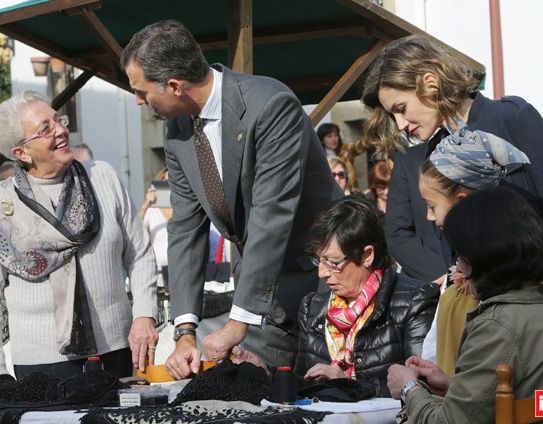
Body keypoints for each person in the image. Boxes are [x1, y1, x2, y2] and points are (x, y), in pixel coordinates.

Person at [120, 20, 342, 379]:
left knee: (326, 396)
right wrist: (185, 331)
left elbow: (272, 216)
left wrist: (239, 320)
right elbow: (185, 230)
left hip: (319, 280)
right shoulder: (176, 130)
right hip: (259, 294)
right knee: (258, 396)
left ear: (175, 86)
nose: (138, 100)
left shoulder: (270, 105)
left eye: (141, 91)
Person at [361, 34, 543, 333]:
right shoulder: (435, 150)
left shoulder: (513, 117)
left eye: (401, 108)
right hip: (485, 326)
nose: (401, 125)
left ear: (430, 82)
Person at [387, 186, 543, 424]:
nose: (458, 267)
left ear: (483, 256)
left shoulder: (498, 326)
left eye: (461, 256)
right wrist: (454, 387)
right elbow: (538, 403)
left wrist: (409, 388)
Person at [0, 91, 158, 379]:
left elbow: (140, 253)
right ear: (21, 153)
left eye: (58, 120)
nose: (61, 130)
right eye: (45, 129)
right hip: (40, 363)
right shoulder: (3, 207)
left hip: (115, 349)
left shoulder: (103, 177)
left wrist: (145, 314)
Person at [233, 196, 438, 397]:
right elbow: (304, 384)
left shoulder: (414, 301)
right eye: (318, 260)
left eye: (333, 262)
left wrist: (348, 385)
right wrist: (265, 373)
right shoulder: (313, 308)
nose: (322, 272)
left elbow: (423, 386)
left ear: (367, 256)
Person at [418, 123, 543, 375]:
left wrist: (411, 390)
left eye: (432, 206)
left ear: (461, 202)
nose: (429, 217)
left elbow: (468, 406)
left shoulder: (469, 303)